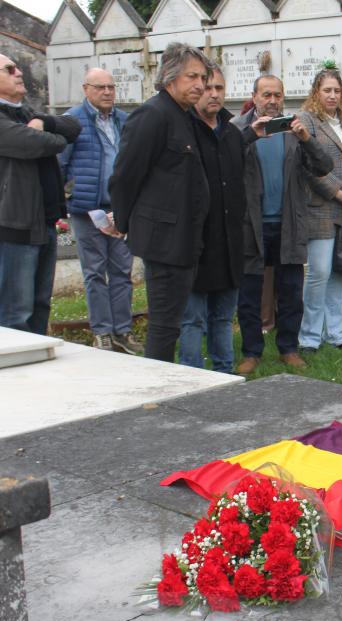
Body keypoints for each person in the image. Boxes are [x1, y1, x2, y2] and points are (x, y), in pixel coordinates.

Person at [109, 43, 211, 362]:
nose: (200, 84)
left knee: (172, 322)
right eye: (191, 76)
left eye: (203, 77)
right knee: (165, 324)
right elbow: (126, 174)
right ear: (170, 77)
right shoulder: (153, 114)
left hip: (184, 237)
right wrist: (123, 223)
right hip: (164, 239)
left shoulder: (183, 115)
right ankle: (156, 391)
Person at [232, 74, 332, 375]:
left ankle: (288, 348)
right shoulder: (239, 129)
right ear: (254, 96)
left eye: (277, 95)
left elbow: (324, 166)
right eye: (266, 95)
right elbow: (224, 161)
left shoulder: (294, 128)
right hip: (252, 225)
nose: (272, 100)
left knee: (291, 291)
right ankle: (251, 351)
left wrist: (306, 138)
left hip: (289, 223)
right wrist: (251, 134)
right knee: (249, 293)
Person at [59, 69, 142, 354]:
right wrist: (67, 199)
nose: (107, 92)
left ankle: (123, 330)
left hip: (119, 208)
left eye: (111, 87)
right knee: (95, 272)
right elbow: (61, 163)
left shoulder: (123, 120)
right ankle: (102, 332)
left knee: (122, 271)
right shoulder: (73, 121)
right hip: (87, 210)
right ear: (86, 89)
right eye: (100, 87)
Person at [0, 53, 80, 335]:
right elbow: (31, 143)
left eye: (17, 67)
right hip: (15, 226)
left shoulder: (25, 113)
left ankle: (37, 371)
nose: (18, 72)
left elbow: (74, 125)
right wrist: (52, 135)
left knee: (40, 304)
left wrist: (44, 123)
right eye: (9, 69)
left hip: (45, 222)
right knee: (15, 310)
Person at [296, 67, 342, 354]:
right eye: (327, 90)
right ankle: (309, 337)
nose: (332, 95)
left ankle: (337, 333)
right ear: (316, 92)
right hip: (323, 207)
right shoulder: (307, 121)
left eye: (337, 90)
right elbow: (306, 165)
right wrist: (338, 193)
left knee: (339, 271)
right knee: (319, 272)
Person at [178, 65, 246, 374]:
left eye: (219, 87)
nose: (214, 94)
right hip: (195, 243)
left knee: (222, 316)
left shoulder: (232, 132)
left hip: (229, 242)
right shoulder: (184, 130)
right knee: (193, 318)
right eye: (207, 88)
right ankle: (192, 376)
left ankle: (224, 373)